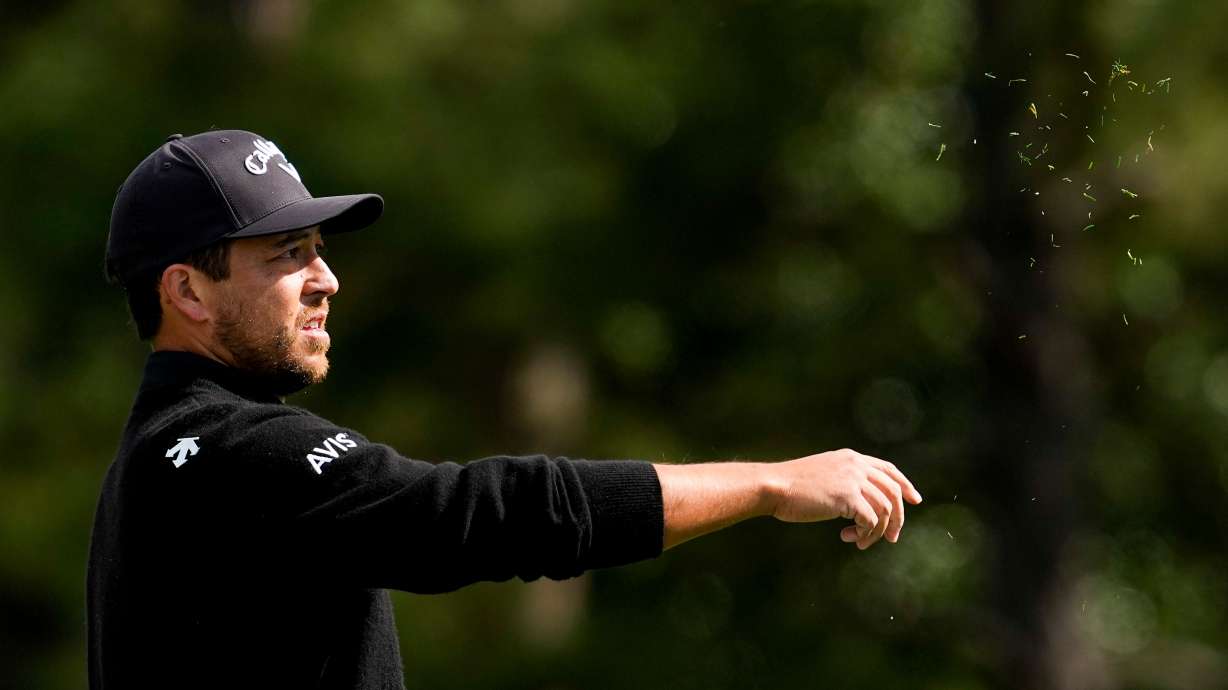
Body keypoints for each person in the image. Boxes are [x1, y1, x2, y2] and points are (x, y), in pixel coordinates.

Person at [89, 130, 922, 689]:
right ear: (187, 291)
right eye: (287, 254)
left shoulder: (166, 455)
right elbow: (478, 517)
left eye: (320, 252)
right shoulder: (236, 450)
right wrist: (770, 484)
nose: (326, 281)